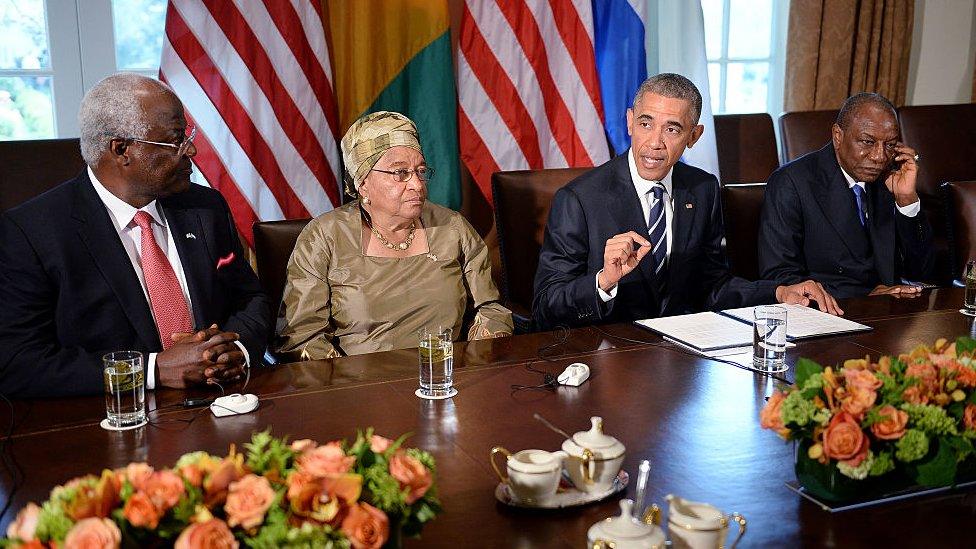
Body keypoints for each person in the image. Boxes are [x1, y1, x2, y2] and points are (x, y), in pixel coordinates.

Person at [0, 74, 273, 398]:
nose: (192, 149)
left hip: (222, 403)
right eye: (175, 139)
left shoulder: (205, 207)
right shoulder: (31, 233)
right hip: (112, 420)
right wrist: (152, 370)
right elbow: (18, 364)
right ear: (121, 149)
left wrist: (233, 350)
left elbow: (251, 299)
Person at [533, 73, 840, 331]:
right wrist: (603, 282)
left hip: (681, 356)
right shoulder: (578, 200)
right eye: (645, 124)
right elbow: (545, 305)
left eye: (672, 129)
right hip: (608, 354)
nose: (655, 142)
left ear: (694, 135)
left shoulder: (703, 189)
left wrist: (778, 291)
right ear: (629, 122)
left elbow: (712, 286)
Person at [276, 111, 512, 359]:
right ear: (362, 182)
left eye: (420, 171)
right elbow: (303, 336)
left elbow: (490, 309)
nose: (417, 185)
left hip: (443, 379)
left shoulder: (452, 227)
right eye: (400, 173)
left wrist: (476, 365)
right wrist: (346, 388)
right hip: (361, 388)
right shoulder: (324, 238)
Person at [758, 93, 934, 299]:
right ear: (838, 136)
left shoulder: (891, 178)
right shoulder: (792, 182)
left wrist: (907, 202)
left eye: (890, 145)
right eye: (868, 142)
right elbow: (780, 276)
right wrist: (865, 295)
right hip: (828, 313)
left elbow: (922, 272)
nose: (879, 156)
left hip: (890, 311)